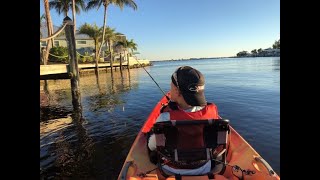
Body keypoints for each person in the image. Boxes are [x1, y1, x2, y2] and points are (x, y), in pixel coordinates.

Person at [147, 66, 220, 175]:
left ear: (176, 91)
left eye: (171, 86)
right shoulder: (212, 112)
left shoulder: (165, 118)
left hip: (171, 170)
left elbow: (152, 146)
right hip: (205, 167)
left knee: (149, 138)